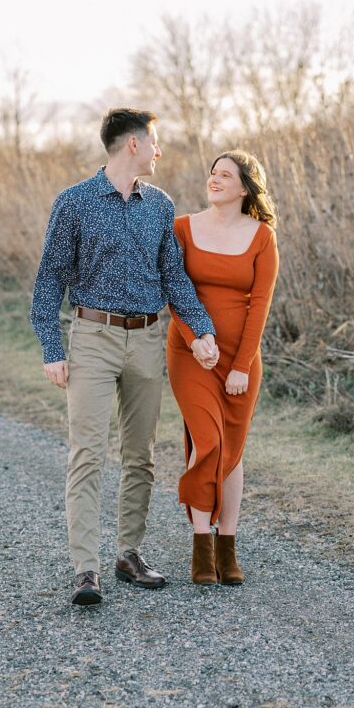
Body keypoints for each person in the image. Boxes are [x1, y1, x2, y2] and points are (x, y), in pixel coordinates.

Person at [30, 108, 219, 606]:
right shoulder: (73, 203)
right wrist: (53, 347)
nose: (160, 151)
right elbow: (49, 280)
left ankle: (128, 554)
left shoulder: (160, 205)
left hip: (148, 339)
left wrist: (199, 329)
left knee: (140, 456)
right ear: (132, 144)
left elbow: (174, 277)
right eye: (154, 142)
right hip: (92, 337)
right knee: (87, 453)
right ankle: (85, 570)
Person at [167, 149, 279, 585]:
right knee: (206, 440)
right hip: (190, 355)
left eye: (225, 175)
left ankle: (227, 547)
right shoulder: (181, 228)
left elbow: (261, 304)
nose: (214, 179)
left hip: (238, 360)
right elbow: (174, 290)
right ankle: (201, 545)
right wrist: (197, 341)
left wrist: (242, 365)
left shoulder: (262, 236)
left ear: (245, 187)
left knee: (230, 452)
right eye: (212, 173)